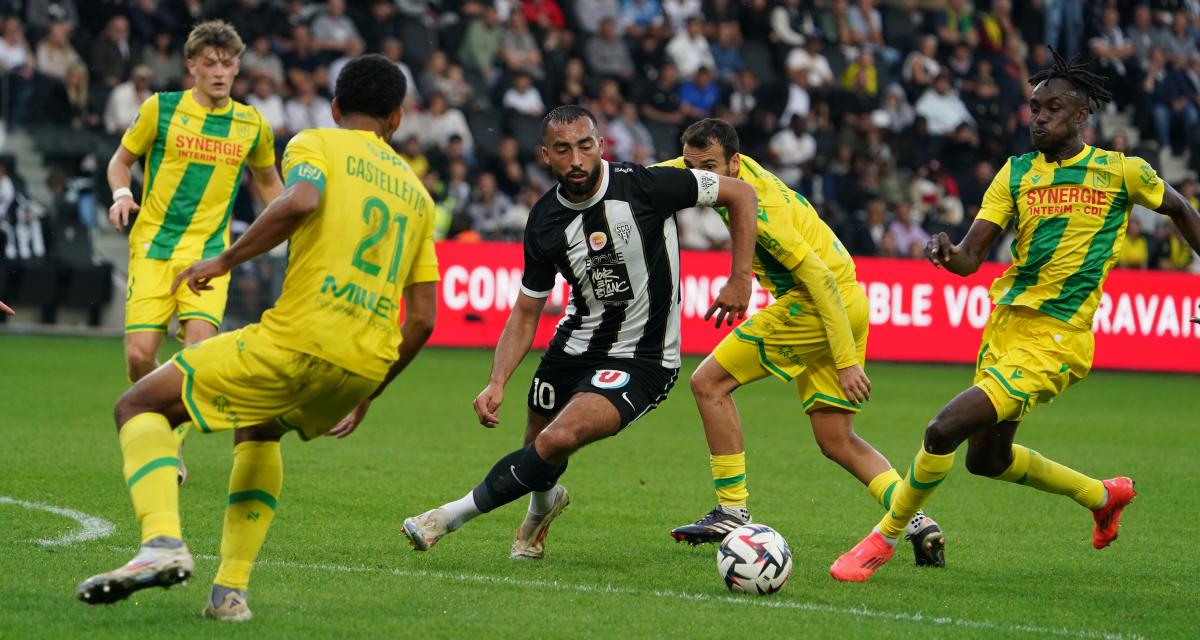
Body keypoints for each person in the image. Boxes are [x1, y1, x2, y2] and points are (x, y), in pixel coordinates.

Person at [75, 54, 439, 620]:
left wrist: (225, 259)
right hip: (365, 362)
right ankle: (229, 594)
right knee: (261, 426)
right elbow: (421, 319)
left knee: (139, 403)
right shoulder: (419, 197)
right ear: (398, 117)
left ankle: (161, 543)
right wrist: (369, 392)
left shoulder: (317, 142)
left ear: (337, 107)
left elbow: (300, 200)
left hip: (299, 338)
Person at [830, 51, 1200, 582]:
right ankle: (1101, 496)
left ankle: (882, 539)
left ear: (1080, 116)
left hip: (1058, 337)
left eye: (1053, 109)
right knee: (988, 459)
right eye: (1033, 109)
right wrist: (945, 251)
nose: (1039, 118)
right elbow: (971, 256)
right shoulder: (1016, 173)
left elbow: (1182, 211)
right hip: (1005, 328)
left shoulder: (1122, 172)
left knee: (942, 429)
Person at [400, 105, 759, 559]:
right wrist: (497, 380)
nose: (576, 159)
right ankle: (544, 506)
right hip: (573, 345)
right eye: (563, 149)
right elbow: (527, 309)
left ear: (600, 146)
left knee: (556, 440)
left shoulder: (646, 185)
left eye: (585, 146)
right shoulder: (545, 219)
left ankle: (447, 517)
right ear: (545, 155)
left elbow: (742, 194)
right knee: (538, 450)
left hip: (641, 358)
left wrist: (740, 277)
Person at [657, 119, 944, 566]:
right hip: (850, 301)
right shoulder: (715, 171)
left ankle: (732, 510)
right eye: (695, 168)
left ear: (735, 161)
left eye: (710, 168)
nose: (703, 179)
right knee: (836, 439)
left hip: (819, 304)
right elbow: (653, 176)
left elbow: (820, 280)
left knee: (708, 383)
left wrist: (846, 362)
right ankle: (916, 521)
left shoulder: (766, 213)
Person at [106, 21, 282, 483]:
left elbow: (268, 183)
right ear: (192, 67)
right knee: (140, 357)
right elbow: (120, 162)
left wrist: (292, 226)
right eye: (210, 64)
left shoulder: (251, 124)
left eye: (227, 64)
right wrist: (122, 194)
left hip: (209, 256)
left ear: (238, 66)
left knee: (198, 355)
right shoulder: (159, 110)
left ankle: (168, 442)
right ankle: (161, 407)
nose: (220, 72)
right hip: (153, 248)